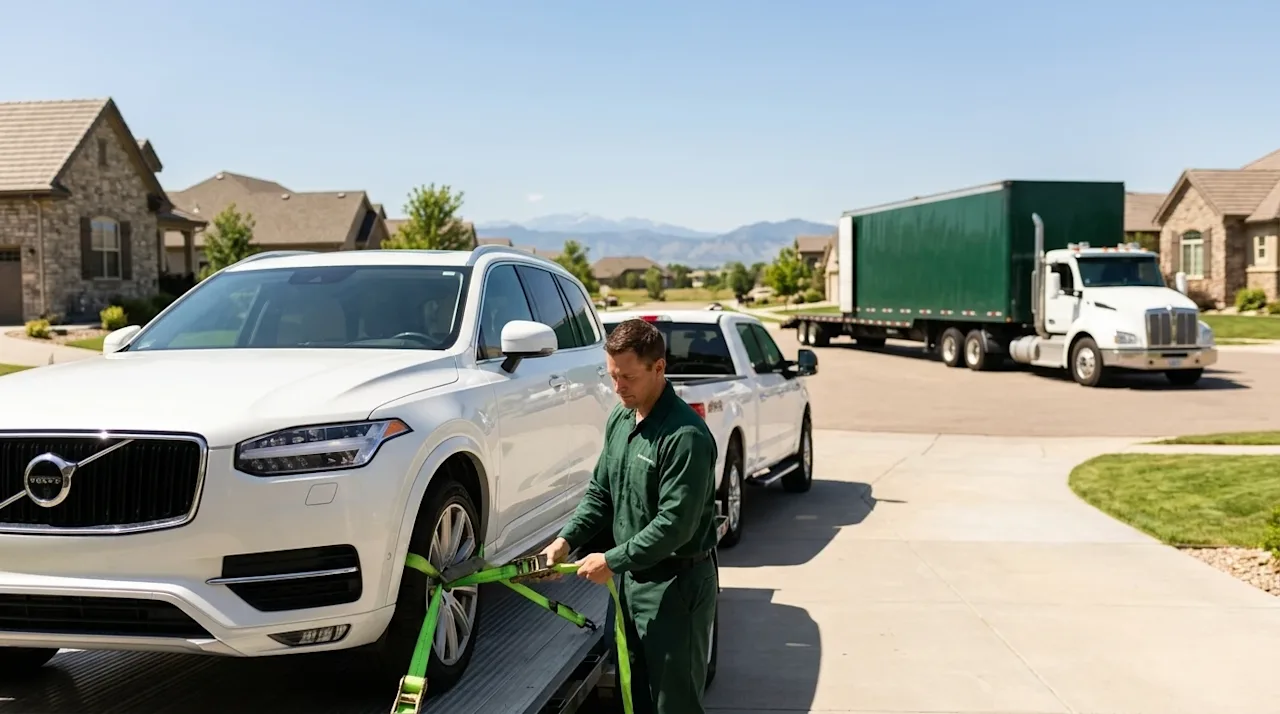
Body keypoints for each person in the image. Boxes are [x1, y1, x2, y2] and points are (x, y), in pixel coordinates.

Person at [541, 317, 720, 714]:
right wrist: (566, 540)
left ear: (659, 368)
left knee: (673, 703)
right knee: (631, 692)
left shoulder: (684, 437)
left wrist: (612, 559)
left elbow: (675, 525)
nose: (618, 387)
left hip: (675, 588)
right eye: (612, 376)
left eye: (628, 377)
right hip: (629, 585)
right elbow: (601, 493)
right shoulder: (621, 420)